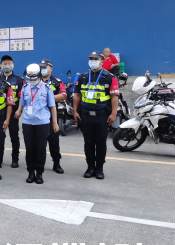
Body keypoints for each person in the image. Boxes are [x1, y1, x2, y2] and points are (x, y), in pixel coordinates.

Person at [73, 51, 120, 180]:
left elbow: (114, 96)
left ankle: (99, 169)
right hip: (85, 115)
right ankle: (90, 168)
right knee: (88, 143)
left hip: (102, 116)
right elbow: (77, 95)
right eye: (91, 59)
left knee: (100, 143)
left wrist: (114, 114)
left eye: (96, 59)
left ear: (101, 61)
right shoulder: (83, 77)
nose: (93, 61)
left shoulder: (109, 77)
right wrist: (75, 111)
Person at [15, 64, 59, 184]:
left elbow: (52, 106)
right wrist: (18, 111)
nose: (31, 80)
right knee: (29, 149)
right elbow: (22, 103)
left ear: (39, 76)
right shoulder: (25, 88)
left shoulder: (47, 88)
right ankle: (30, 173)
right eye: (29, 78)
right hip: (27, 122)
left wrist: (54, 122)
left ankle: (39, 173)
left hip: (42, 123)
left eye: (33, 78)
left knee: (41, 149)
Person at [39, 59, 67, 174]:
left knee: (54, 141)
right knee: (39, 142)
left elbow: (64, 95)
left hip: (52, 115)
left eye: (45, 67)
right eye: (41, 67)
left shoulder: (56, 81)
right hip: (38, 115)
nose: (42, 69)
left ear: (51, 69)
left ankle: (56, 163)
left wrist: (48, 98)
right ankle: (39, 164)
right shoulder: (35, 80)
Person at [0, 55, 25, 168]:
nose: (7, 65)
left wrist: (19, 110)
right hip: (0, 113)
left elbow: (22, 97)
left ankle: (15, 159)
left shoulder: (18, 80)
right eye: (4, 64)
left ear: (13, 65)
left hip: (14, 113)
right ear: (1, 66)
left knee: (14, 136)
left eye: (9, 63)